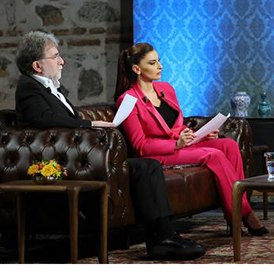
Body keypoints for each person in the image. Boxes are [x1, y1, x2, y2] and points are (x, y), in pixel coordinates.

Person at [14, 31, 205, 260]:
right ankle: (162, 239)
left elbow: (62, 119)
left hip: (80, 156)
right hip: (65, 162)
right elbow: (45, 120)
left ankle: (163, 237)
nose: (61, 61)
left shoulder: (52, 88)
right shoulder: (28, 88)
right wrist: (91, 124)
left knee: (148, 166)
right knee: (145, 166)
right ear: (37, 65)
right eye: (55, 57)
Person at [114, 43, 268, 235]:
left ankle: (236, 213)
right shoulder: (128, 100)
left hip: (179, 145)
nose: (160, 66)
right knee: (213, 155)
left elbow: (176, 126)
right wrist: (176, 144)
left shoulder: (166, 89)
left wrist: (199, 135)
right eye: (152, 63)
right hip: (157, 154)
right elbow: (140, 146)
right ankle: (243, 212)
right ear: (137, 69)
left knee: (228, 145)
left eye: (159, 61)